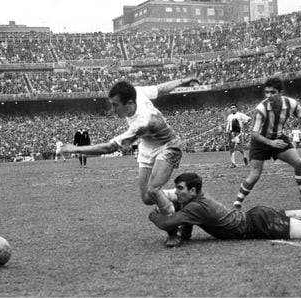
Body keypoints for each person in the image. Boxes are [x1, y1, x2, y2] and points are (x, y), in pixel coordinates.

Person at [61, 77, 198, 247]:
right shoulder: (137, 91)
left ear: (130, 103)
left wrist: (74, 149)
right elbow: (159, 89)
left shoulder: (143, 122)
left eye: (115, 105)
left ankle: (173, 231)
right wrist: (182, 81)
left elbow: (108, 148)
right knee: (147, 199)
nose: (112, 109)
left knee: (154, 190)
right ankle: (178, 199)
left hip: (168, 146)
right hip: (147, 147)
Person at [149, 172, 301, 245]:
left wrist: (153, 215)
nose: (177, 192)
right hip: (255, 216)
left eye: (180, 189)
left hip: (259, 223)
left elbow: (168, 222)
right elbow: (184, 223)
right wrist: (182, 235)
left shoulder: (196, 206)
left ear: (193, 190)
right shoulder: (194, 201)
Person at [233, 77, 301, 209]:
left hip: (278, 138)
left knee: (299, 163)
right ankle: (237, 204)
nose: (269, 96)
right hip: (260, 142)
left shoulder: (291, 104)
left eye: (273, 92)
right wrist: (271, 143)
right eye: (267, 92)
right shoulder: (261, 108)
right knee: (255, 175)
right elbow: (254, 134)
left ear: (281, 92)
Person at [225, 103, 251, 168]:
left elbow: (249, 119)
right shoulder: (229, 116)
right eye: (231, 108)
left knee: (239, 148)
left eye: (233, 107)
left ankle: (244, 155)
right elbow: (228, 124)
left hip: (238, 133)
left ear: (236, 108)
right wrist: (227, 130)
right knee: (231, 148)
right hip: (231, 133)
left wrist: (245, 123)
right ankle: (233, 163)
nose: (232, 109)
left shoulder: (240, 114)